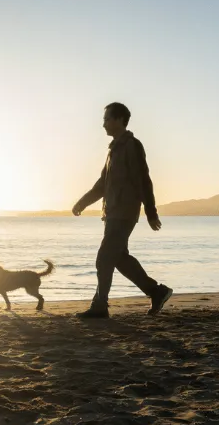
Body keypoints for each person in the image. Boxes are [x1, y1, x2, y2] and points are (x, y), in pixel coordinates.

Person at [72, 102, 172, 318]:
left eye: (107, 119)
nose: (103, 124)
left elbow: (144, 180)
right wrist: (82, 203)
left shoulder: (132, 146)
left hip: (124, 212)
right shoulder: (113, 150)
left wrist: (151, 212)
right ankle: (157, 292)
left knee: (104, 257)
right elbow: (101, 185)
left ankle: (100, 306)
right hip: (112, 212)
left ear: (119, 120)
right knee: (119, 258)